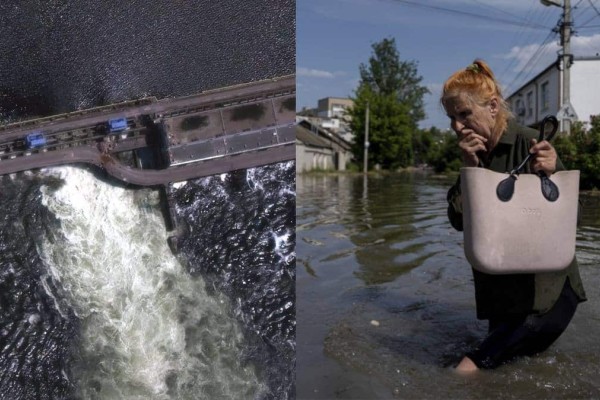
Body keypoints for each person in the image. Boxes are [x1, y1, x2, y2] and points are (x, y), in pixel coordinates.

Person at [442, 59, 586, 372]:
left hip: (546, 296)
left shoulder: (529, 141)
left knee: (468, 370)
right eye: (451, 117)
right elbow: (458, 222)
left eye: (464, 114)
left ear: (493, 106)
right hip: (502, 297)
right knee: (509, 374)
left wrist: (551, 171)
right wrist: (469, 168)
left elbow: (573, 218)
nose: (456, 126)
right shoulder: (475, 153)